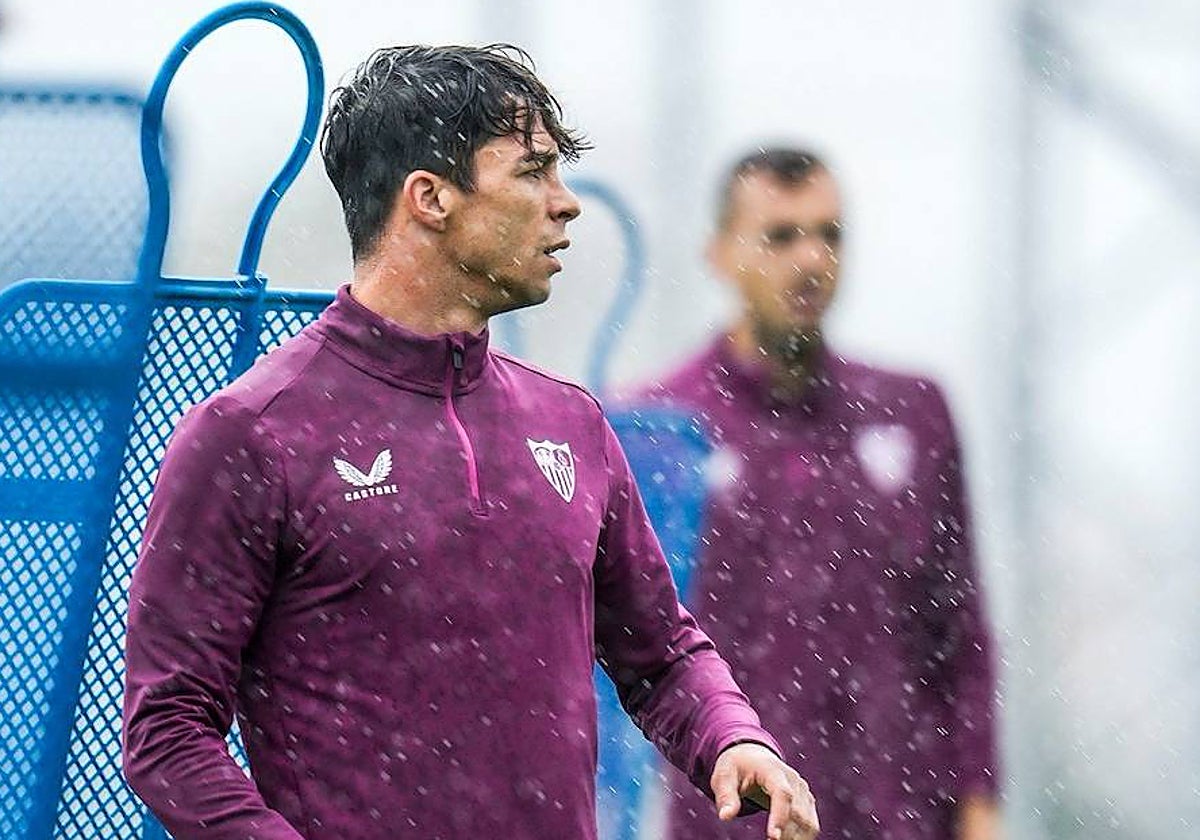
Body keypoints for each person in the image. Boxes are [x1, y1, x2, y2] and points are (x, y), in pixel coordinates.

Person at [121, 47, 819, 840]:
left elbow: (661, 655)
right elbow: (168, 734)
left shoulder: (571, 426)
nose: (566, 205)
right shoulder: (252, 434)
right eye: (532, 173)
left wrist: (733, 738)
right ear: (430, 198)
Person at [632, 147, 1000, 840]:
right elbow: (633, 657)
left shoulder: (913, 414)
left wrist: (980, 807)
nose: (810, 259)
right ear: (720, 254)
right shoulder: (659, 430)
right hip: (733, 823)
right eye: (781, 236)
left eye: (828, 234)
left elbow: (961, 637)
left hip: (900, 816)